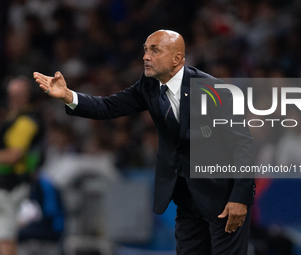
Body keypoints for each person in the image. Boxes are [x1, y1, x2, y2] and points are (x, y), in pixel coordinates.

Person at [34, 30, 255, 255]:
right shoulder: (148, 85)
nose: (145, 56)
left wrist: (240, 198)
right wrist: (68, 95)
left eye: (155, 50)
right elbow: (109, 106)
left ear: (177, 59)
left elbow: (243, 145)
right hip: (186, 197)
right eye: (145, 50)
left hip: (222, 197)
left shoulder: (213, 90)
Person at [0, 76, 44, 255]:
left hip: (11, 186)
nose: (14, 98)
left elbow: (13, 156)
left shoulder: (26, 121)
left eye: (19, 94)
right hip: (8, 184)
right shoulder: (14, 116)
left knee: (5, 237)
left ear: (28, 95)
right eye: (11, 94)